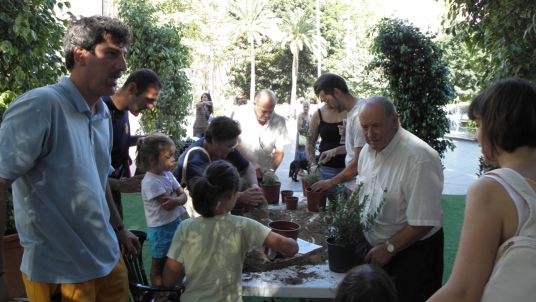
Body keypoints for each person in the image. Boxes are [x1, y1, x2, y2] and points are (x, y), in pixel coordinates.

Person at [0, 16, 140, 301]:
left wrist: (120, 228)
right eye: (112, 54)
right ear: (80, 55)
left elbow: (98, 180)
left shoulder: (101, 113)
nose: (123, 67)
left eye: (123, 56)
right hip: (60, 273)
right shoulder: (41, 105)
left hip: (108, 259)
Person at [428, 78, 536, 301]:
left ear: (497, 124)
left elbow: (463, 292)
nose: (477, 137)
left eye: (478, 125)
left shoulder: (493, 188)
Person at [163, 160, 298, 301]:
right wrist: (292, 240)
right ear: (230, 196)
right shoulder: (243, 225)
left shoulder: (185, 227)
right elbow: (291, 248)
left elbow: (169, 280)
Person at [357, 96, 444, 302]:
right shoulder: (366, 152)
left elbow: (422, 222)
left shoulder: (420, 159)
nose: (370, 134)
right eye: (365, 127)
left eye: (376, 126)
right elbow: (363, 189)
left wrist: (389, 248)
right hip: (378, 250)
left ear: (394, 120)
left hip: (413, 255)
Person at [105, 68, 163, 218]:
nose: (151, 106)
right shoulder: (101, 112)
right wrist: (118, 184)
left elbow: (117, 141)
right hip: (99, 199)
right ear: (131, 89)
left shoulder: (124, 111)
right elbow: (85, 170)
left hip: (114, 197)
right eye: (149, 100)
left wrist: (143, 139)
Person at [173, 116, 265, 210]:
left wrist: (255, 187)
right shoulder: (195, 158)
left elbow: (247, 167)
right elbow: (205, 195)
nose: (232, 150)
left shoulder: (224, 147)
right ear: (214, 141)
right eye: (229, 146)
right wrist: (240, 197)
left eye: (233, 146)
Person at [136, 133, 187, 289]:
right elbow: (169, 204)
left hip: (175, 223)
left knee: (177, 259)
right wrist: (179, 199)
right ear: (152, 159)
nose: (173, 159)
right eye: (168, 156)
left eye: (173, 155)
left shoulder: (168, 174)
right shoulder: (150, 181)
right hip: (160, 229)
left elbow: (182, 197)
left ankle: (174, 288)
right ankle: (160, 294)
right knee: (158, 264)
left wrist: (178, 200)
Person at [310, 73, 365, 194]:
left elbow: (357, 164)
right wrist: (335, 151)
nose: (327, 105)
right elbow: (357, 148)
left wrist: (330, 182)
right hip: (350, 183)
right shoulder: (352, 112)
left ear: (337, 92)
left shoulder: (359, 115)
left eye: (327, 100)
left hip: (357, 186)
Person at [232, 89, 289, 180]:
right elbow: (236, 142)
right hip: (240, 172)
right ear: (255, 104)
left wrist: (271, 171)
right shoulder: (240, 114)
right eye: (264, 111)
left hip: (263, 174)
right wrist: (253, 164)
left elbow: (279, 151)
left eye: (271, 111)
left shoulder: (279, 121)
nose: (267, 115)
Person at [306, 93, 347, 199]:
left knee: (348, 208)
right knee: (329, 207)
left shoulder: (350, 111)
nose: (324, 100)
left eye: (326, 96)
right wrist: (312, 164)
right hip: (326, 169)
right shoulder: (318, 114)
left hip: (349, 167)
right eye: (321, 98)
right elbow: (310, 142)